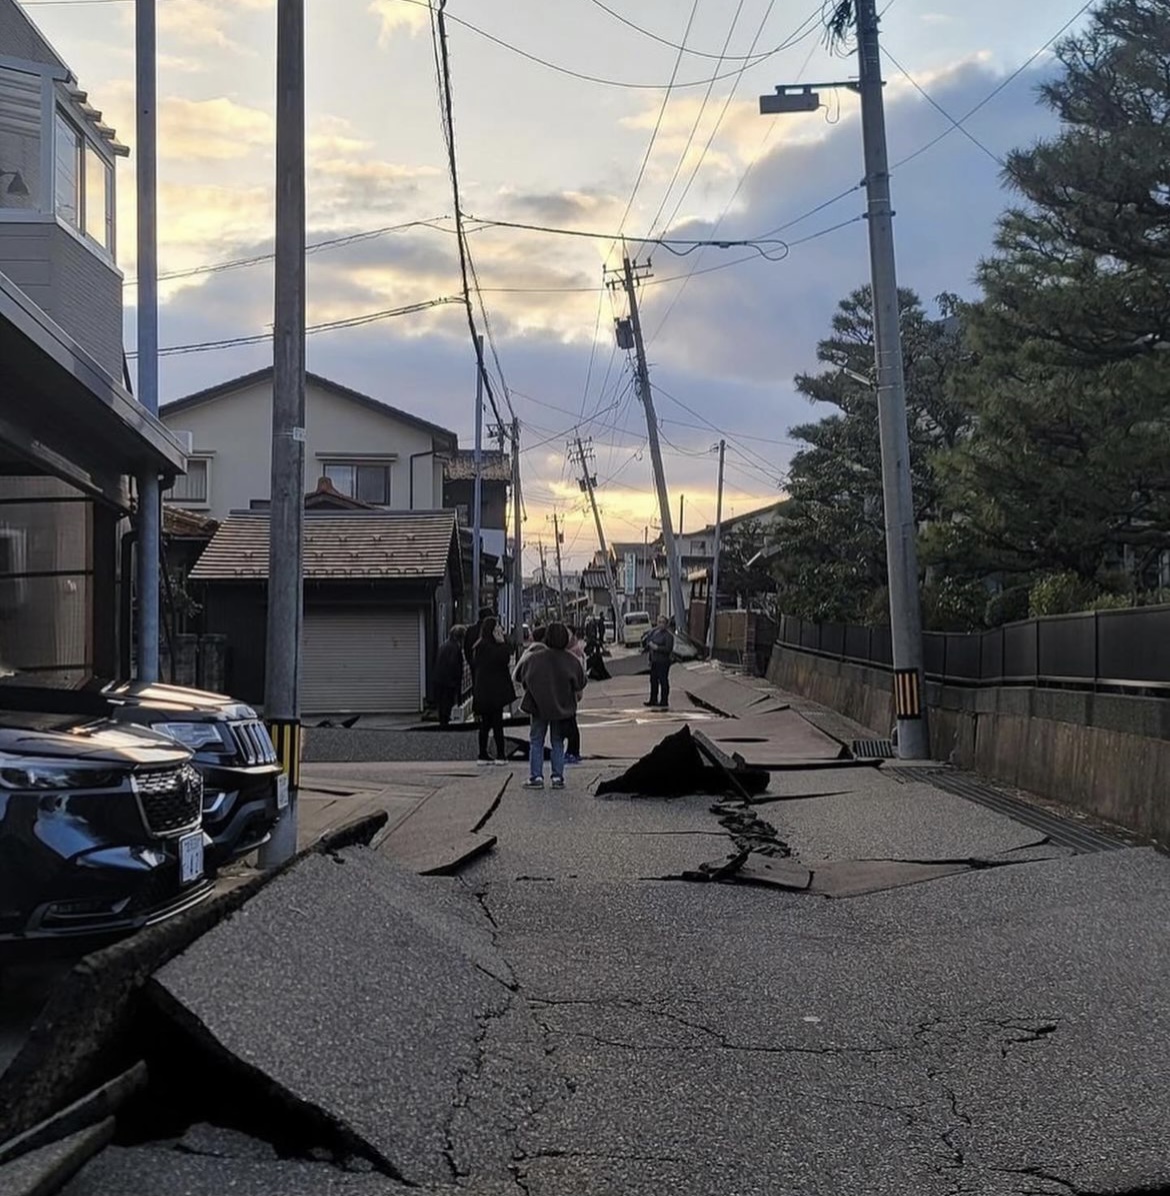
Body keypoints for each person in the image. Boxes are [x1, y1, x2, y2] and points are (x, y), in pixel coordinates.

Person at [513, 621, 586, 790]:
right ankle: (557, 777)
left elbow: (520, 677)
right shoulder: (572, 660)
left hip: (537, 706)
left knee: (536, 740)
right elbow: (581, 682)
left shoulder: (535, 658)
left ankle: (536, 776)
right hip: (562, 707)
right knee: (557, 741)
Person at [472, 616, 515, 764]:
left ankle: (483, 754)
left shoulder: (479, 646)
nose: (500, 630)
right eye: (497, 627)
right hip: (493, 693)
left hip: (483, 691)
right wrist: (502, 643)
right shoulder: (489, 647)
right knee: (497, 723)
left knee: (485, 724)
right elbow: (503, 659)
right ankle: (500, 755)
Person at [434, 625, 465, 727]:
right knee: (448, 703)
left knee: (441, 703)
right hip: (449, 681)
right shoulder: (456, 649)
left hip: (439, 679)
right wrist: (457, 683)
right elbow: (456, 667)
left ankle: (442, 721)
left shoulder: (443, 646)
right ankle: (445, 723)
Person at [563, 631, 587, 763]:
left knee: (571, 724)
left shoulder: (574, 655)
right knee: (570, 723)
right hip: (568, 694)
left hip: (570, 694)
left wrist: (578, 690)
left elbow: (580, 676)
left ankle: (573, 751)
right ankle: (571, 751)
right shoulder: (570, 653)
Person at [644, 615, 675, 709]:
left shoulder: (668, 636)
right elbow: (650, 647)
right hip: (654, 661)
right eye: (659, 622)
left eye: (663, 622)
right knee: (653, 681)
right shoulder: (655, 633)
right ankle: (653, 699)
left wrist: (657, 648)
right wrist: (650, 659)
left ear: (666, 624)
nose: (661, 624)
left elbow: (668, 649)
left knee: (663, 680)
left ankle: (664, 700)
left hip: (663, 662)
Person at [465, 606, 495, 674]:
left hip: (474, 665)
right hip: (488, 668)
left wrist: (470, 662)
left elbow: (466, 647)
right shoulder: (491, 630)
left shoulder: (470, 630)